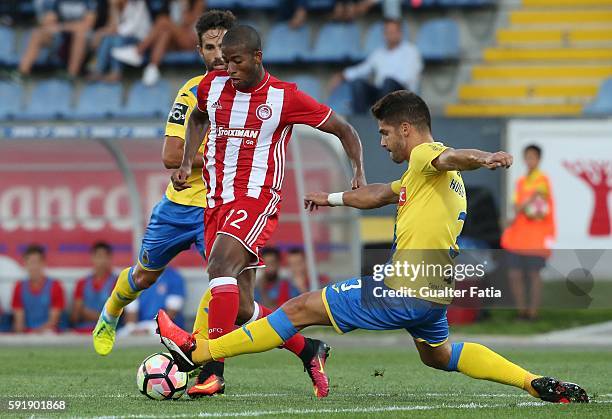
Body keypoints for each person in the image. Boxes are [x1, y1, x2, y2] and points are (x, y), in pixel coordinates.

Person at [157, 90, 588, 404]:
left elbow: (451, 155)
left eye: (384, 133)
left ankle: (201, 351)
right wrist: (332, 198)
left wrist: (487, 156)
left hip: (405, 286)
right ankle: (532, 381)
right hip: (433, 290)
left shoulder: (427, 157)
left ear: (406, 129)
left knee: (299, 309)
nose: (381, 142)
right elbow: (383, 193)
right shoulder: (427, 180)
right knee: (438, 356)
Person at [168, 24, 366, 398]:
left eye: (237, 61)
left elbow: (344, 129)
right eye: (225, 62)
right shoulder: (212, 87)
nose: (229, 69)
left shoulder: (283, 97)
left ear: (257, 58)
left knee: (219, 268)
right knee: (241, 308)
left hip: (257, 198)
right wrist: (183, 162)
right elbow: (197, 117)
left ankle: (212, 370)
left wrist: (358, 170)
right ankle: (309, 350)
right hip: (216, 201)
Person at [92, 10, 235, 356]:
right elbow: (171, 156)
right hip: (179, 206)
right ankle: (110, 313)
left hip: (221, 208)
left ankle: (206, 359)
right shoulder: (190, 94)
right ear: (199, 52)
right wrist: (221, 157)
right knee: (144, 277)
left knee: (228, 286)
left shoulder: (253, 95)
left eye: (224, 46)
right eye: (210, 47)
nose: (218, 55)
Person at [501, 144, 555, 321]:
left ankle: (533, 313)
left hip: (536, 237)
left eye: (533, 157)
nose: (529, 160)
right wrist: (521, 208)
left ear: (539, 159)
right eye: (527, 157)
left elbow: (536, 209)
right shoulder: (521, 182)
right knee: (514, 274)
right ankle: (521, 311)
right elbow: (517, 206)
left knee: (534, 275)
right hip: (518, 237)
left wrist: (520, 207)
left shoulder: (543, 180)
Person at [329, 18, 422, 114]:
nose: (389, 35)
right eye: (387, 32)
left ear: (400, 33)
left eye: (392, 32)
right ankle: (360, 123)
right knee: (358, 84)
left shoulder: (411, 51)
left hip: (403, 95)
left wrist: (388, 81)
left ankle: (386, 120)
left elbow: (408, 78)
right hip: (382, 93)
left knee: (388, 82)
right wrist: (343, 75)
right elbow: (363, 69)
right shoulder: (379, 53)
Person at [111, 0, 204, 85]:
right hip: (174, 38)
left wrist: (184, 5)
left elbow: (187, 23)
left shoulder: (197, 2)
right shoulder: (171, 3)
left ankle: (138, 51)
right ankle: (152, 68)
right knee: (165, 33)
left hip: (191, 40)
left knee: (163, 21)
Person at [19, 0, 98, 79]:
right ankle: (22, 73)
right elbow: (48, 22)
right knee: (37, 34)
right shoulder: (56, 1)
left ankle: (71, 75)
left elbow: (87, 24)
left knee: (80, 35)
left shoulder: (89, 2)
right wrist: (64, 27)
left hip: (85, 38)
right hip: (61, 35)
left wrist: (62, 27)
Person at [89, 0, 151, 82]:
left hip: (140, 40)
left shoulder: (138, 2)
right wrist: (113, 7)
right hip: (124, 37)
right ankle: (98, 70)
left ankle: (116, 72)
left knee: (116, 38)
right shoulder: (117, 6)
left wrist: (107, 32)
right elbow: (114, 25)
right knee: (109, 38)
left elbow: (132, 28)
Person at [11, 244, 66, 333]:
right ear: (25, 264)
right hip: (27, 335)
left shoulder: (55, 286)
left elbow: (53, 322)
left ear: (43, 263)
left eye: (36, 262)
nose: (34, 267)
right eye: (30, 262)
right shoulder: (19, 287)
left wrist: (35, 334)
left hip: (49, 335)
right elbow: (19, 322)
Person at [122, 266, 186, 334]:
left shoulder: (173, 277)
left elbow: (172, 312)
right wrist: (132, 328)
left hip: (165, 329)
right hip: (139, 327)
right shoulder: (135, 276)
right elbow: (131, 310)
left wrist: (151, 329)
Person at [71, 242, 116, 333]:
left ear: (110, 259)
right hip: (82, 331)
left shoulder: (117, 283)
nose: (102, 261)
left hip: (108, 333)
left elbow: (114, 317)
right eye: (99, 256)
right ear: (92, 258)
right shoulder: (82, 283)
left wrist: (86, 313)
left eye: (105, 257)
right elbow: (75, 316)